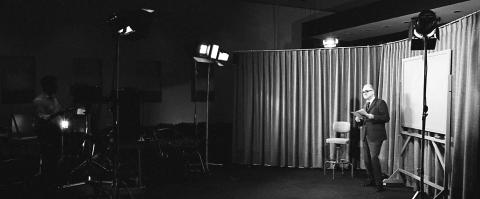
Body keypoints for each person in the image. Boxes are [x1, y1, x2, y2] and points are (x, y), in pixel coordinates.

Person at [354, 84, 389, 192]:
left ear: (373, 92)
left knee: (374, 158)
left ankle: (379, 184)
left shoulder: (380, 102)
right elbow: (365, 122)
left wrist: (373, 116)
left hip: (376, 136)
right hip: (366, 135)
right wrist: (359, 120)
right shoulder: (366, 105)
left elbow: (386, 118)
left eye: (367, 91)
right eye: (363, 92)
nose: (364, 93)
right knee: (367, 160)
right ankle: (371, 179)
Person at [33, 75, 62, 197]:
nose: (57, 87)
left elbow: (57, 114)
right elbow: (42, 117)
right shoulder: (39, 101)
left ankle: (53, 185)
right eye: (54, 84)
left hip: (56, 133)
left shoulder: (54, 99)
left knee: (55, 159)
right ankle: (46, 188)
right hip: (47, 134)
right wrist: (55, 116)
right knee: (48, 160)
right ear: (47, 86)